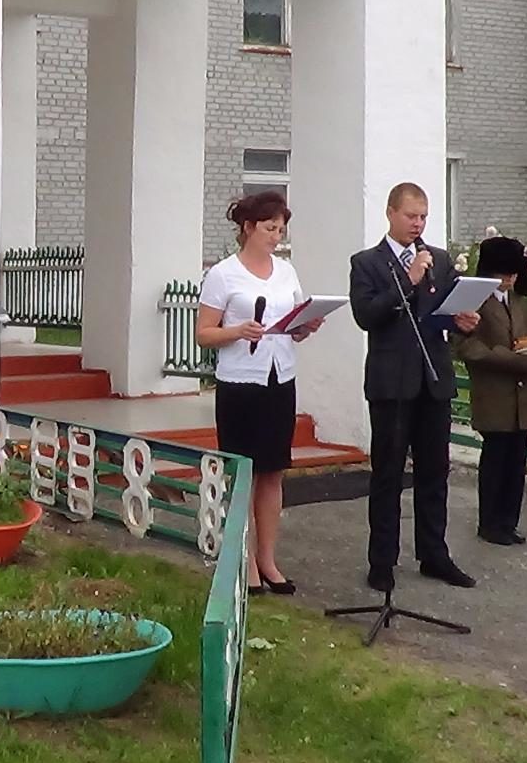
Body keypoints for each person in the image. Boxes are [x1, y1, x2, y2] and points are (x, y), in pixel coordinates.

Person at [349, 183, 480, 592]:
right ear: (391, 213)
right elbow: (367, 315)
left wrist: (462, 320)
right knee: (388, 474)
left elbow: (442, 311)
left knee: (434, 472)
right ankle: (382, 561)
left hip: (433, 379)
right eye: (410, 216)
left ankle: (434, 554)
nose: (418, 224)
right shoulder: (368, 263)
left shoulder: (439, 259)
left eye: (423, 216)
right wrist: (408, 279)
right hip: (392, 383)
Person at [195, 192, 323, 596]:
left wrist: (304, 327)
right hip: (240, 384)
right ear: (248, 227)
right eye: (270, 228)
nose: (276, 236)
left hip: (279, 379)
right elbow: (204, 333)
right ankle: (245, 561)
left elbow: (292, 321)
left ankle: (268, 559)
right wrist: (236, 331)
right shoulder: (223, 274)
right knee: (246, 473)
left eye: (281, 230)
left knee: (273, 470)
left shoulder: (286, 272)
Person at [453, 236, 527, 547]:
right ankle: (489, 522)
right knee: (495, 458)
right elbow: (465, 346)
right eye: (504, 273)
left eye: (513, 273)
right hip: (493, 391)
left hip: (523, 393)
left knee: (516, 461)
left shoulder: (522, 303)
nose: (509, 279)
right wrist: (508, 358)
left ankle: (509, 521)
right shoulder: (476, 301)